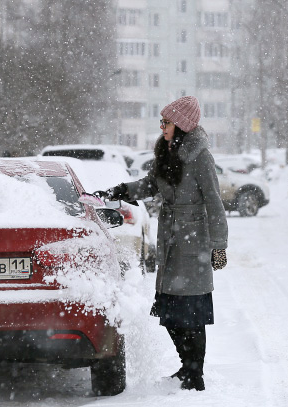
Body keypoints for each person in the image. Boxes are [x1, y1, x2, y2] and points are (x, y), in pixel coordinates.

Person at [97, 95, 228, 391]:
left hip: (193, 242)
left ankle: (195, 376)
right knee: (170, 313)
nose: (162, 127)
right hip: (171, 240)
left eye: (166, 122)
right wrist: (120, 190)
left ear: (181, 125)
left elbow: (215, 203)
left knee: (191, 314)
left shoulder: (201, 157)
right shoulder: (168, 154)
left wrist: (219, 246)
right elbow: (150, 185)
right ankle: (187, 367)